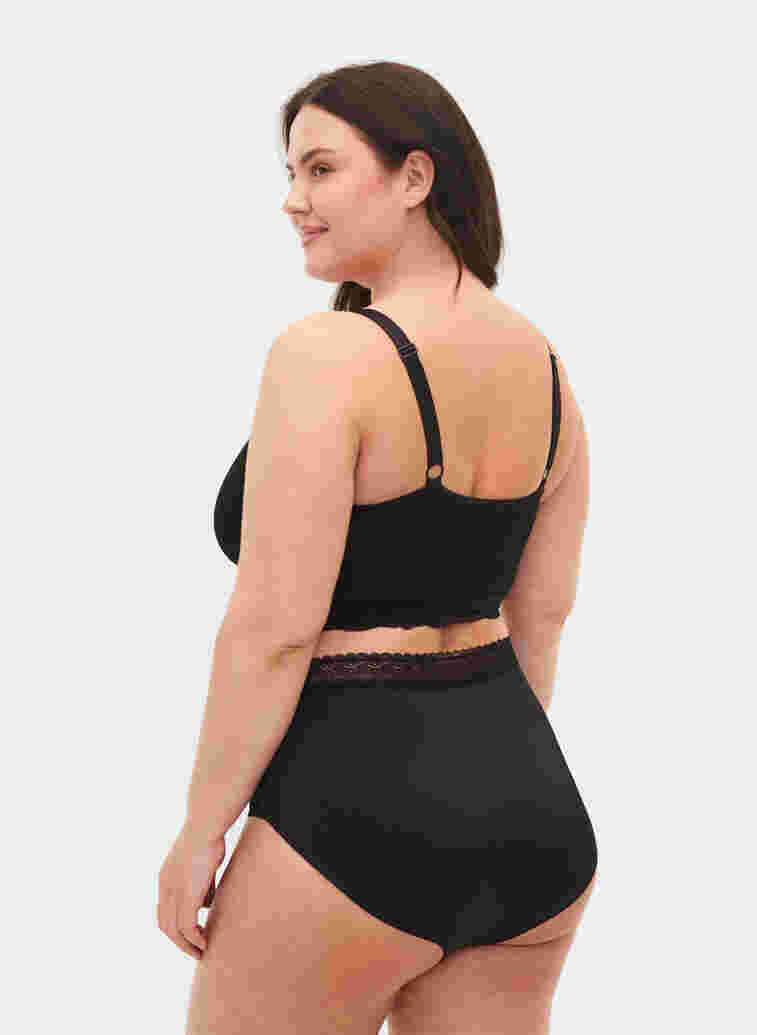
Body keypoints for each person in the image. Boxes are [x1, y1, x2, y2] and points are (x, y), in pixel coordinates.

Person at [158, 60, 598, 1035]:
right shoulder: (547, 368)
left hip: (351, 810)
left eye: (320, 169)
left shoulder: (329, 355)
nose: (292, 200)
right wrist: (479, 789)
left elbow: (273, 629)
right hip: (529, 812)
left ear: (414, 177)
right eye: (289, 173)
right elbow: (542, 614)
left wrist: (200, 832)